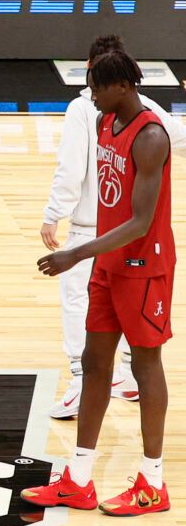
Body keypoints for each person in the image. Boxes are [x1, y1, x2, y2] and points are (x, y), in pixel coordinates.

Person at [27, 45, 174, 516]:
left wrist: (76, 252)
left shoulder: (151, 135)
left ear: (125, 86)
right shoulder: (101, 122)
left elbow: (140, 219)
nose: (90, 95)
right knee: (94, 362)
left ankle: (153, 482)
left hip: (143, 266)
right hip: (108, 263)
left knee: (146, 367)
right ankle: (79, 478)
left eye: (98, 87)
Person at [39, 34, 182, 417]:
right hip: (115, 232)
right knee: (116, 320)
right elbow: (179, 135)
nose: (92, 91)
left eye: (96, 83)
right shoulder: (129, 108)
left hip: (101, 231)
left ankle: (80, 383)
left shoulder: (91, 110)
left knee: (79, 305)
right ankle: (124, 377)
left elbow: (70, 168)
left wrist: (54, 212)